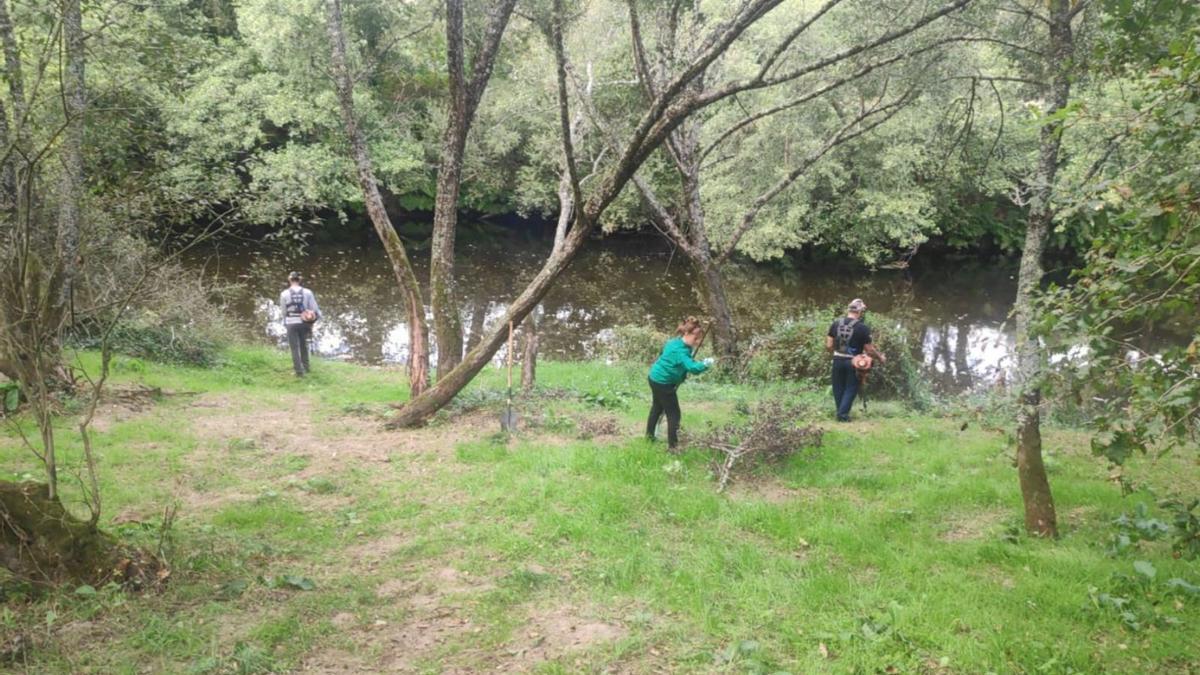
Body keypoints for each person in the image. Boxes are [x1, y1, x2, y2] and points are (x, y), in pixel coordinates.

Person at [646, 317, 713, 451]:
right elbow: (693, 368)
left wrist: (679, 369)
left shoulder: (674, 342)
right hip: (664, 383)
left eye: (699, 339)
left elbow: (664, 355)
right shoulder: (682, 352)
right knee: (674, 414)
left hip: (654, 377)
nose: (697, 342)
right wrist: (706, 363)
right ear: (687, 334)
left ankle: (649, 437)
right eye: (696, 339)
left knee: (657, 408)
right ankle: (673, 447)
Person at [825, 298, 885, 422]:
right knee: (851, 387)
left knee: (838, 387)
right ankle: (842, 416)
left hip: (837, 360)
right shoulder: (863, 328)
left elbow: (829, 345)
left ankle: (840, 413)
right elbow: (869, 350)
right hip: (853, 362)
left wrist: (837, 354)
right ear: (859, 312)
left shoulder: (835, 323)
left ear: (849, 310)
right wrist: (880, 357)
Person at [280, 272, 321, 377]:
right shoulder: (308, 292)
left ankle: (299, 371)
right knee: (304, 345)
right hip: (304, 323)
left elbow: (284, 312)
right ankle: (306, 367)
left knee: (294, 347)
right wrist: (314, 319)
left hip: (291, 323)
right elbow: (315, 309)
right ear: (300, 279)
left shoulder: (284, 294)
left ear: (289, 280)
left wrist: (285, 322)